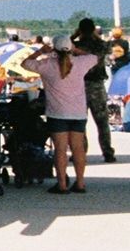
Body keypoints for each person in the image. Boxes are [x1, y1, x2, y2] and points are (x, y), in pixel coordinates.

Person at [31, 34, 98, 193]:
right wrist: (76, 50)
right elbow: (94, 57)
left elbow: (25, 63)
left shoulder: (47, 65)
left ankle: (61, 184)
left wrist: (40, 51)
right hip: (78, 113)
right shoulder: (80, 63)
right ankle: (80, 183)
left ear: (54, 48)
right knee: (78, 148)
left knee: (60, 149)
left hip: (57, 113)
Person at [72, 18, 116, 163]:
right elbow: (108, 48)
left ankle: (80, 151)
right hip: (97, 85)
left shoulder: (76, 45)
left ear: (80, 30)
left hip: (80, 85)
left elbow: (65, 44)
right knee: (102, 121)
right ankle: (107, 151)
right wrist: (95, 35)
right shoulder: (101, 45)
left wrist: (75, 35)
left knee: (79, 122)